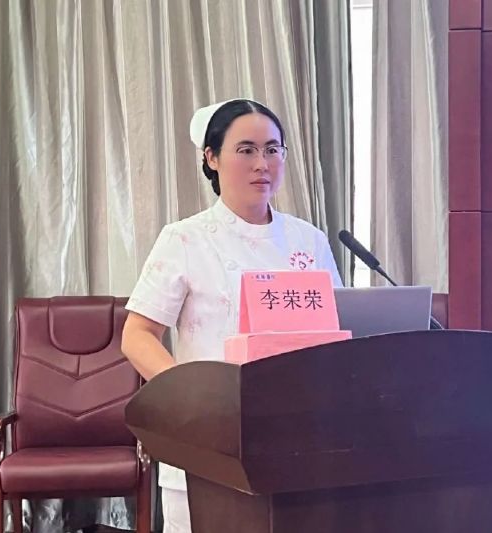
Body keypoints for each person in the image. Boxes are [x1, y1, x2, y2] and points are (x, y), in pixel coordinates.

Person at [121, 98, 343, 532]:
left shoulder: (309, 240)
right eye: (246, 150)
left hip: (300, 437)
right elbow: (137, 334)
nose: (262, 163)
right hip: (211, 437)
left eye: (272, 149)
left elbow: (337, 325)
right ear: (212, 158)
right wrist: (190, 397)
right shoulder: (185, 239)